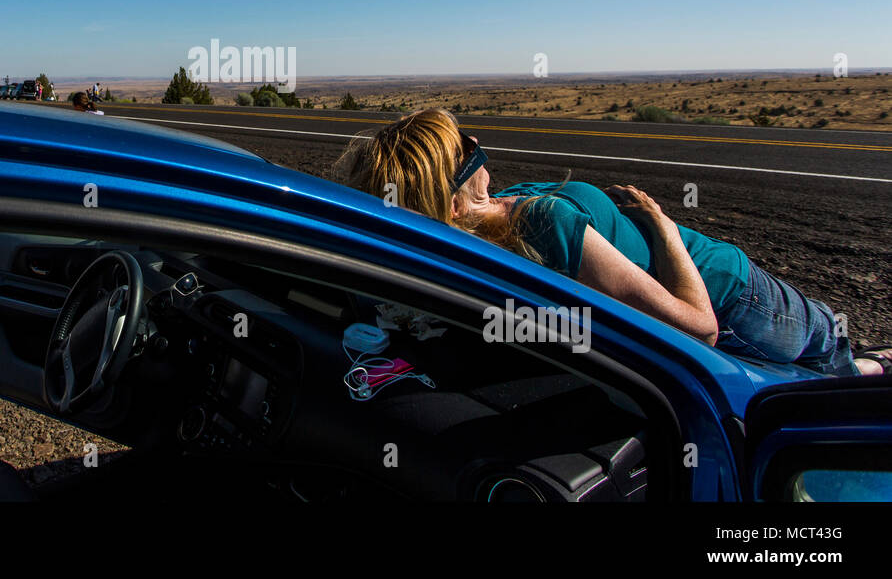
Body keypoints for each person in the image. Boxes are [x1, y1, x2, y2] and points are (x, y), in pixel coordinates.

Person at [339, 108, 890, 377]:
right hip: (728, 289)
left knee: (788, 380)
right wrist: (667, 232)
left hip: (718, 300)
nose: (478, 145)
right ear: (452, 201)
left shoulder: (478, 233)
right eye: (465, 151)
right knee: (824, 351)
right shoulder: (542, 223)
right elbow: (701, 328)